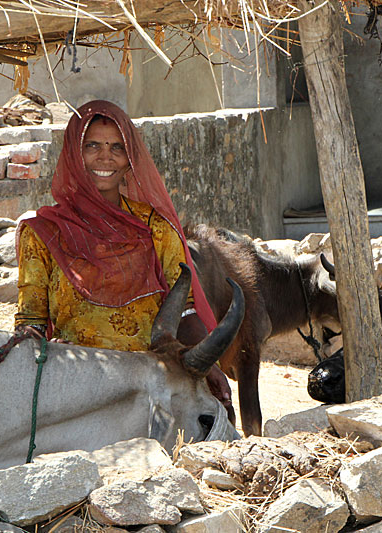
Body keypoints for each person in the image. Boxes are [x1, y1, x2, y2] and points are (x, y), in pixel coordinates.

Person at [14, 100, 231, 409]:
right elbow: (30, 321)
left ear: (130, 159)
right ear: (74, 154)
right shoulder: (43, 233)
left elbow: (184, 310)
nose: (106, 157)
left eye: (117, 147)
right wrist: (48, 352)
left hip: (150, 390)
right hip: (75, 386)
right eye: (92, 146)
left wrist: (207, 365)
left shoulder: (155, 228)